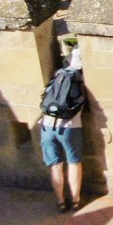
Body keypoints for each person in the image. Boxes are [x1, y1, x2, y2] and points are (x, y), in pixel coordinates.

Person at [39, 48, 86, 213]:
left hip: (47, 126)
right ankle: (75, 200)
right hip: (69, 127)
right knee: (74, 163)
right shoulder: (80, 79)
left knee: (55, 165)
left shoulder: (58, 75)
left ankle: (60, 201)